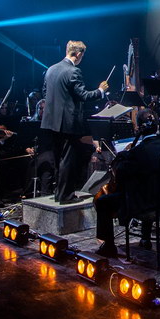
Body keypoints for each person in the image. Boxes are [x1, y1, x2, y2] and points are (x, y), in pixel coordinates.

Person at [94, 109, 160, 258]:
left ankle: (109, 246)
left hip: (143, 204)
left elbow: (122, 176)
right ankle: (145, 238)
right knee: (147, 188)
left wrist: (122, 157)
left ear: (139, 128)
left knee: (102, 201)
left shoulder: (138, 152)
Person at [41, 41, 108, 204]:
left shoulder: (51, 69)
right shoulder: (73, 71)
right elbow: (83, 96)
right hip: (67, 123)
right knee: (67, 160)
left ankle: (59, 194)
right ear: (78, 54)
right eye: (82, 55)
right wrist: (100, 91)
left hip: (50, 122)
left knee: (58, 159)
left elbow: (45, 93)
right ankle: (66, 196)